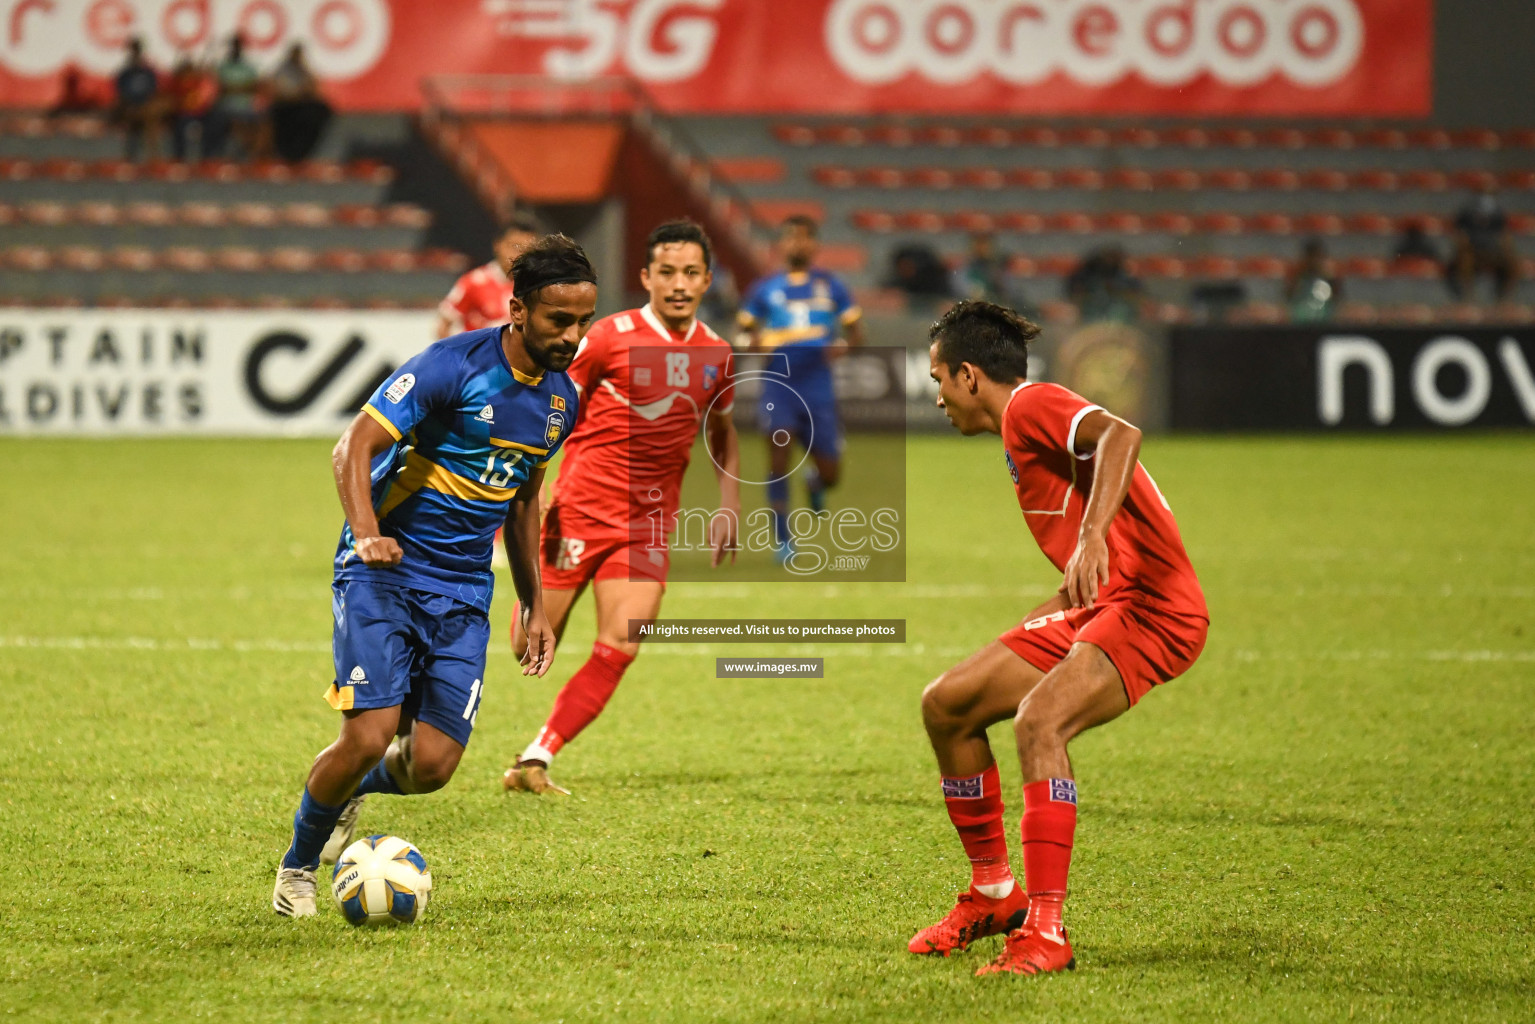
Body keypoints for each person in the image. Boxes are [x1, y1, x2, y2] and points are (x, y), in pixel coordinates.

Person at [271, 235, 597, 917]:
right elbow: (352, 446)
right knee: (366, 732)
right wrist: (367, 536)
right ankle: (297, 867)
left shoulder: (562, 401)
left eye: (581, 321)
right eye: (557, 320)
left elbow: (523, 496)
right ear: (517, 311)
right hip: (384, 573)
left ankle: (350, 789)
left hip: (463, 589)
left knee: (431, 768)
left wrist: (534, 603)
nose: (571, 336)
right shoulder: (451, 367)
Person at [912, 301, 1208, 974]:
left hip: (1153, 606)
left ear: (966, 376)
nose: (935, 399)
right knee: (947, 704)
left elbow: (1121, 435)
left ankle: (1045, 931)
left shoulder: (1029, 405)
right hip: (1102, 601)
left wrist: (1091, 533)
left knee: (1038, 722)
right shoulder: (1019, 431)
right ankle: (994, 896)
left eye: (936, 380)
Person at [501, 219, 740, 796]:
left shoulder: (717, 352)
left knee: (622, 643)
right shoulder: (607, 337)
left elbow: (722, 425)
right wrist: (524, 482)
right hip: (580, 509)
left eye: (689, 272)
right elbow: (553, 399)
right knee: (525, 646)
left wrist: (729, 500)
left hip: (648, 525)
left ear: (706, 279)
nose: (678, 283)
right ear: (647, 277)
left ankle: (535, 759)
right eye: (666, 272)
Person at [737, 216, 863, 562]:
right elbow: (744, 332)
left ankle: (815, 483)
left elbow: (857, 332)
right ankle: (783, 539)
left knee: (831, 473)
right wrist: (754, 343)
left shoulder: (831, 286)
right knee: (778, 457)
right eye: (792, 238)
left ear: (814, 245)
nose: (798, 244)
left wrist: (844, 347)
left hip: (817, 385)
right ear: (782, 245)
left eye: (805, 238)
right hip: (778, 383)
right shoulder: (764, 288)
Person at [438, 216, 540, 338]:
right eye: (514, 246)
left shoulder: (537, 286)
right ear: (498, 245)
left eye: (526, 249)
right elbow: (444, 326)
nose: (519, 254)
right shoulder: (474, 282)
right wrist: (459, 355)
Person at [1448, 187, 1518, 301]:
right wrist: (1464, 247)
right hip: (1472, 251)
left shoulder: (1498, 213)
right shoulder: (1466, 212)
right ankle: (1468, 297)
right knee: (1465, 261)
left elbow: (1505, 235)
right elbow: (1459, 234)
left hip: (1493, 251)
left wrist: (1506, 251)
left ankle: (1504, 299)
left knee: (1513, 265)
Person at [267, 43, 332, 162]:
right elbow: (278, 91)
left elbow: (312, 88)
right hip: (285, 106)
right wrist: (296, 94)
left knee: (320, 110)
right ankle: (285, 151)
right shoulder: (282, 70)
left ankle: (304, 151)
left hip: (301, 105)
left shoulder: (303, 70)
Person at [210, 35, 263, 159]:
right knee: (232, 122)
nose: (236, 49)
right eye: (234, 46)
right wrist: (241, 88)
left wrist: (234, 88)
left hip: (246, 107)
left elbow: (253, 87)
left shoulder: (248, 67)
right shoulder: (223, 66)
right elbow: (221, 89)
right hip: (226, 107)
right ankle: (230, 155)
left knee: (263, 123)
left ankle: (254, 156)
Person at [111, 38, 163, 161]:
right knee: (130, 123)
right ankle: (130, 157)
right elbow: (120, 92)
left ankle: (153, 158)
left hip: (145, 108)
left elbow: (153, 91)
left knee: (150, 119)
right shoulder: (126, 72)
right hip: (130, 108)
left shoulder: (147, 72)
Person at [1065, 245, 1143, 323]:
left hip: (1119, 319)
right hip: (1091, 318)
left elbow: (1136, 294)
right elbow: (1075, 294)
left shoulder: (1124, 278)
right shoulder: (1086, 276)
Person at [167, 56, 218, 162]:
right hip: (185, 114)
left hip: (203, 114)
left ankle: (208, 157)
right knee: (180, 125)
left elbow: (208, 99)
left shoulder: (201, 82)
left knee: (214, 123)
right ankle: (179, 158)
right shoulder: (179, 84)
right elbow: (176, 101)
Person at [1283, 238, 1342, 323]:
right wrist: (1299, 274)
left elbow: (1338, 298)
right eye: (1312, 257)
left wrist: (1329, 276)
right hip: (1300, 325)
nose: (1315, 261)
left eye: (1318, 257)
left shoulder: (1328, 279)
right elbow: (1288, 297)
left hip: (1324, 324)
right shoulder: (1298, 278)